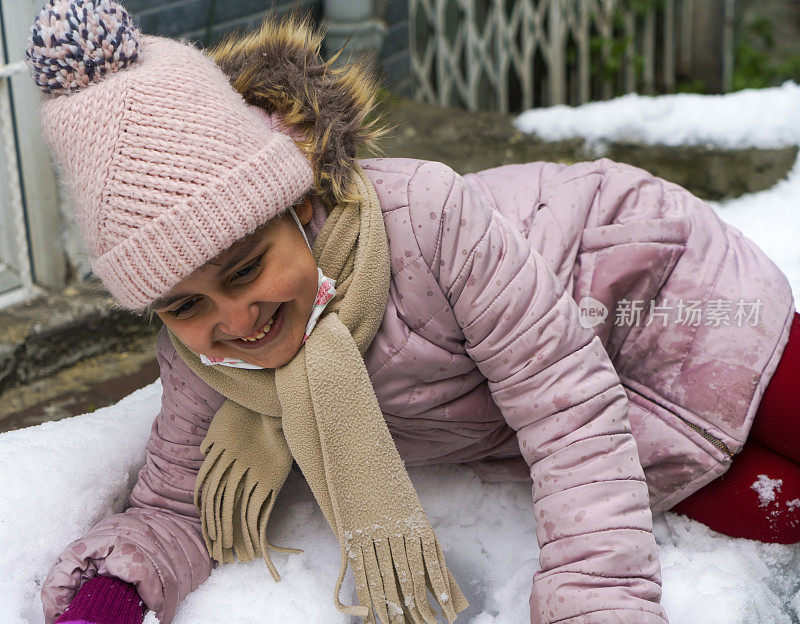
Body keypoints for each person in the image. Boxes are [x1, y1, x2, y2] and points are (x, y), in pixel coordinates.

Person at [24, 1, 797, 624]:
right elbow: (173, 506)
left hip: (660, 293)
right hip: (616, 406)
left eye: (247, 267)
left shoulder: (427, 217)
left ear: (298, 204)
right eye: (185, 304)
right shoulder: (203, 355)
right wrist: (105, 606)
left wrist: (595, 606)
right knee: (778, 509)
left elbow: (566, 410)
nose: (236, 319)